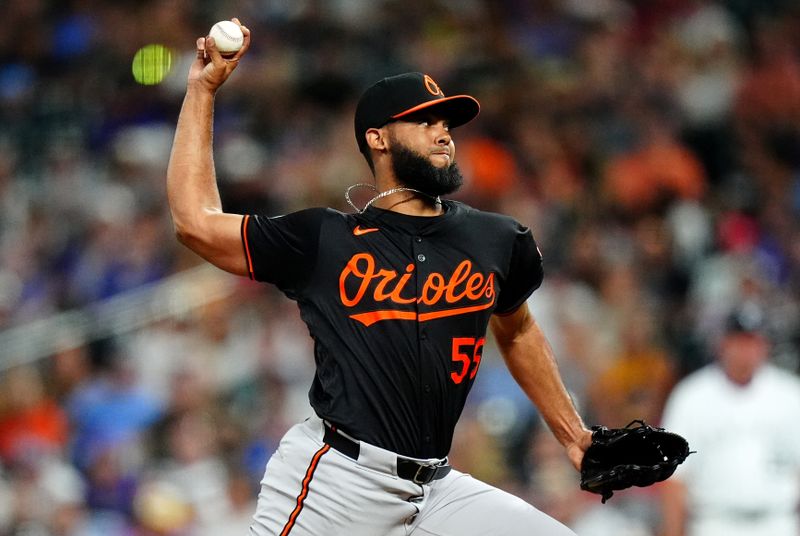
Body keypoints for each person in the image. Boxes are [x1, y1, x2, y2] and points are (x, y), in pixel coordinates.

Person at [166, 19, 592, 535]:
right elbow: (195, 222)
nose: (443, 133)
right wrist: (202, 90)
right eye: (425, 121)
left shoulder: (496, 239)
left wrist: (573, 436)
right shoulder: (323, 239)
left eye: (446, 122)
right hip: (339, 482)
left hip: (436, 489)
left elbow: (518, 327)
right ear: (378, 139)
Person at [660, 304, 800, 536]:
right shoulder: (691, 396)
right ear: (722, 343)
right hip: (714, 522)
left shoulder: (790, 395)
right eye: (739, 341)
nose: (746, 350)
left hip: (778, 522)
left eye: (753, 341)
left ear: (765, 345)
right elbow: (674, 477)